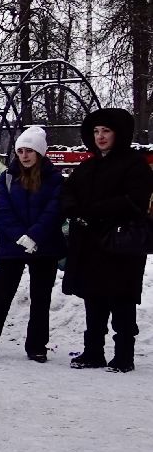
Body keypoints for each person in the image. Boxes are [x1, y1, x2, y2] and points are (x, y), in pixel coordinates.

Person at [61, 107, 153, 372]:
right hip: (91, 244)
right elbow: (68, 190)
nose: (100, 137)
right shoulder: (88, 166)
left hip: (120, 243)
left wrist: (93, 210)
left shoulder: (135, 165)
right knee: (94, 298)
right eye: (96, 131)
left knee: (121, 300)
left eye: (106, 131)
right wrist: (71, 207)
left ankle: (124, 355)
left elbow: (134, 200)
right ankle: (93, 351)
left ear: (119, 133)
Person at [0, 128, 65, 362]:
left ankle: (37, 346)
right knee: (1, 297)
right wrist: (20, 235)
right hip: (12, 247)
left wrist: (35, 236)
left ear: (40, 152)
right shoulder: (7, 177)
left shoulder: (55, 179)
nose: (24, 155)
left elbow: (56, 210)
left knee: (41, 299)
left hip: (45, 247)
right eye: (20, 150)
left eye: (29, 150)